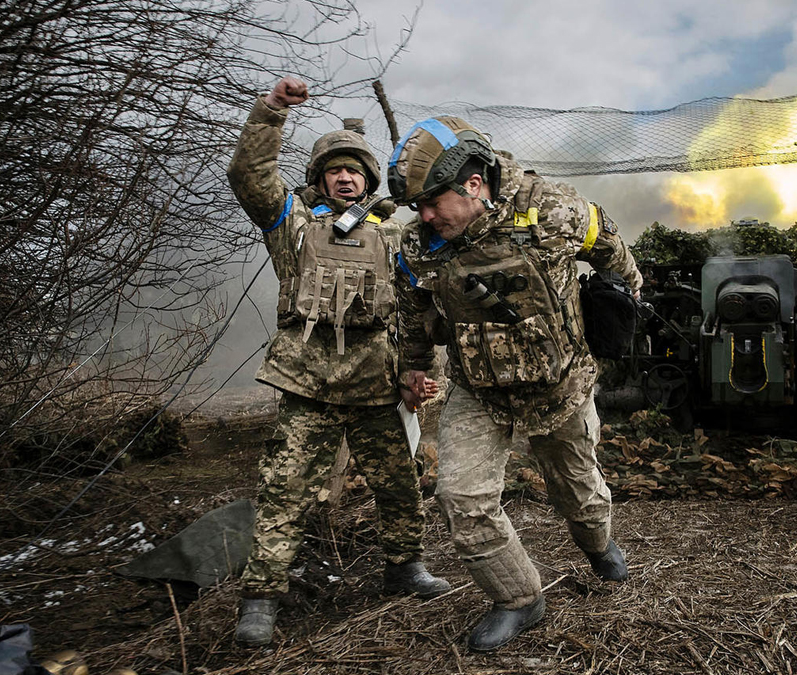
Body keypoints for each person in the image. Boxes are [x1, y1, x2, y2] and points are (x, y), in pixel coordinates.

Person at [388, 117, 643, 652]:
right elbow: (413, 313)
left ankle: (598, 544)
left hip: (562, 386)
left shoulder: (554, 209)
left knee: (580, 495)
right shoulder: (419, 247)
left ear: (474, 184)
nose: (427, 217)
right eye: (419, 208)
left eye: (434, 203)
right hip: (480, 391)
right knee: (461, 497)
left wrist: (621, 303)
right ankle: (519, 600)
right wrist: (414, 368)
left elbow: (613, 252)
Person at [226, 78, 449, 647]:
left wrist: (417, 371)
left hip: (376, 383)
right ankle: (262, 598)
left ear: (370, 178)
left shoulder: (397, 230)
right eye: (334, 169)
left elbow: (417, 304)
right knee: (284, 492)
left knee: (400, 484)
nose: (345, 177)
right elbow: (250, 177)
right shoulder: (292, 224)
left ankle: (404, 568)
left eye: (355, 169)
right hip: (308, 384)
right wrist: (271, 111)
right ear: (320, 176)